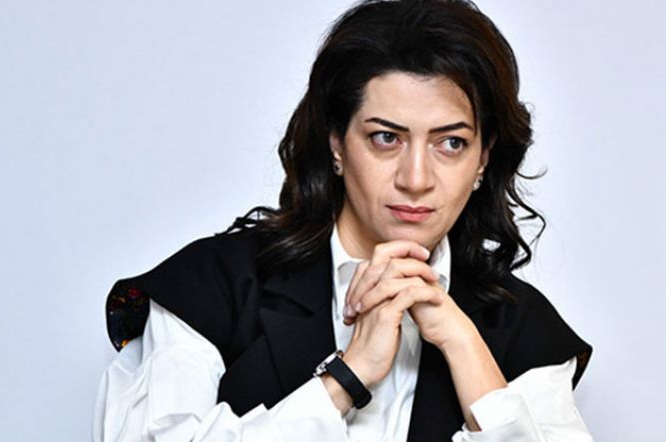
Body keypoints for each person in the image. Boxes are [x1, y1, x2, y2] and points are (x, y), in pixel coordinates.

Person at [93, 0, 594, 440]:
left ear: (483, 159)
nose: (416, 179)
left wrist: (464, 346)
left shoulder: (524, 326)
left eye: (451, 143)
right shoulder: (212, 285)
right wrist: (347, 378)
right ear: (336, 143)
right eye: (386, 138)